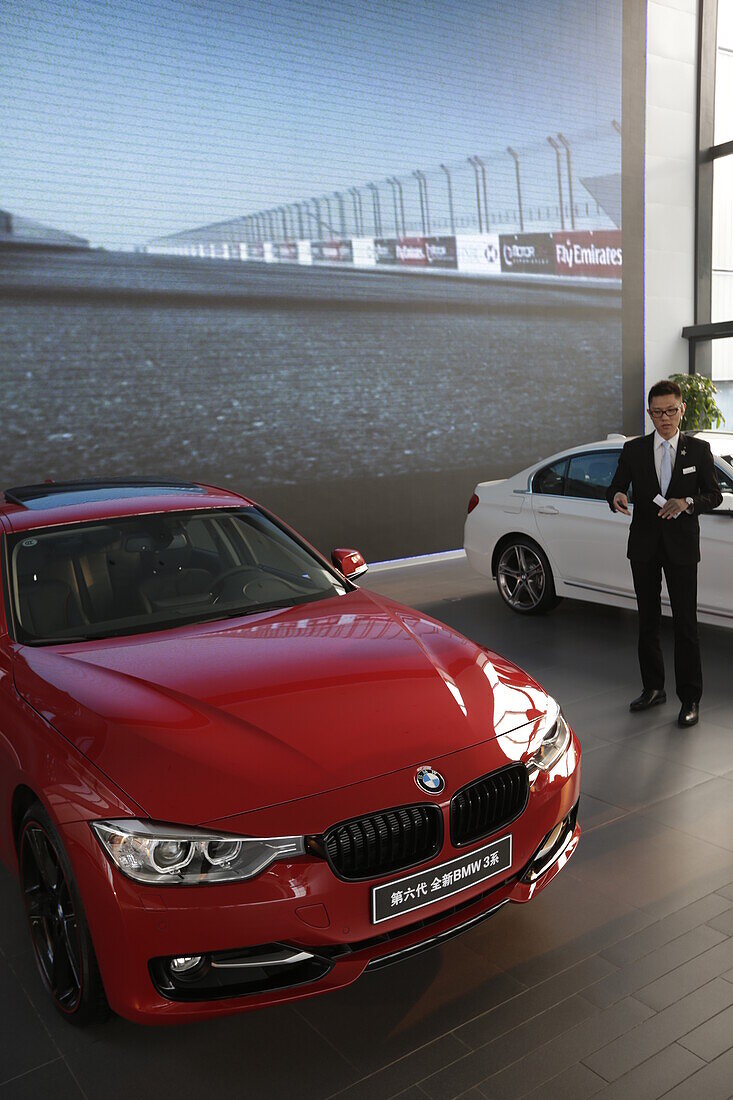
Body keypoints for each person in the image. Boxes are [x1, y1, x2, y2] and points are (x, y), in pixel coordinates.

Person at [606, 379, 722, 727]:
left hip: (682, 549)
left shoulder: (699, 451)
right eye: (657, 413)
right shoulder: (634, 450)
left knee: (686, 625)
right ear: (649, 413)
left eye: (671, 411)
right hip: (643, 547)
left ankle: (690, 698)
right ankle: (653, 688)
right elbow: (614, 486)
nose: (665, 418)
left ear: (682, 409)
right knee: (648, 621)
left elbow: (713, 495)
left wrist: (687, 502)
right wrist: (616, 497)